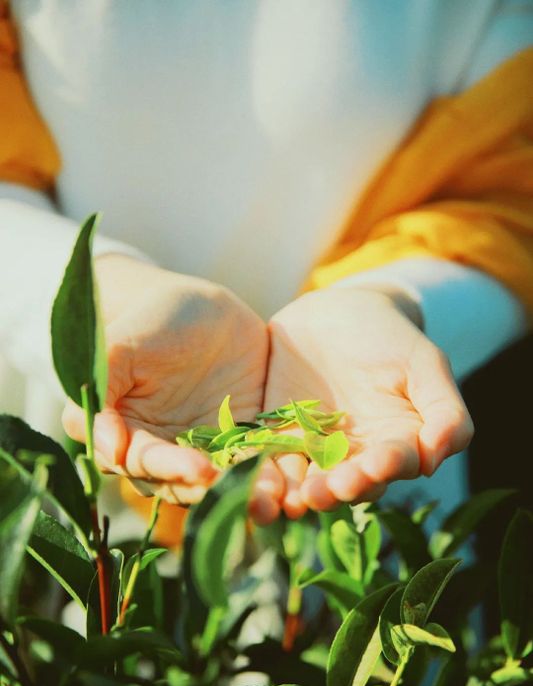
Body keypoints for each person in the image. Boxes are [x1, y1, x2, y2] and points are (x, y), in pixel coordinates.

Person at [1, 1, 532, 530]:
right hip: (74, 448)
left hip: (373, 451)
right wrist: (112, 300)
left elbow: (506, 189)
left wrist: (389, 296)